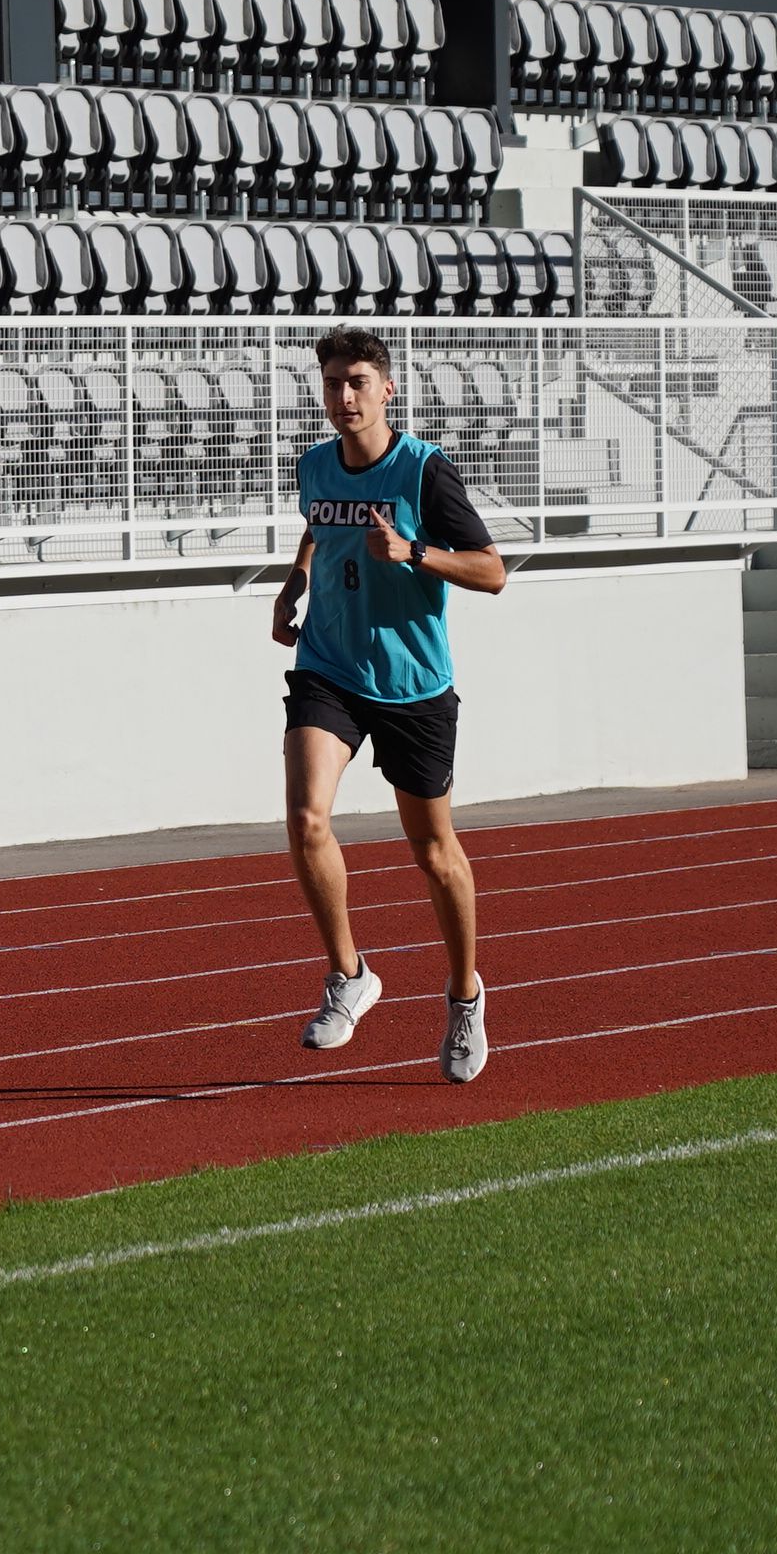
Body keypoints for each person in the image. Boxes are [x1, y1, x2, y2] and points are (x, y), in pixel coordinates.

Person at [270, 325, 507, 1081]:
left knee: (434, 852)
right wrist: (294, 582)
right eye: (333, 383)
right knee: (307, 818)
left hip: (413, 685)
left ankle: (464, 996)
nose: (344, 396)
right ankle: (349, 975)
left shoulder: (424, 471)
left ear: (387, 390)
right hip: (329, 666)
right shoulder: (313, 465)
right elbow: (318, 526)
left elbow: (493, 572)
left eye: (358, 383)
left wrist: (413, 552)